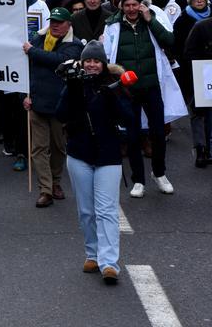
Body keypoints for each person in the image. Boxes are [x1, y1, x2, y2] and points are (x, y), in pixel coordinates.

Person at [56, 41, 135, 284]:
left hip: (108, 156)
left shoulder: (115, 85)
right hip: (79, 155)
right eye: (87, 60)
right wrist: (71, 87)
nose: (91, 64)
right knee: (87, 211)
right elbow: (60, 114)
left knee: (107, 210)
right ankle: (92, 254)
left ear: (103, 64)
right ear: (82, 62)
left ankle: (109, 262)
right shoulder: (74, 83)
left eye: (96, 61)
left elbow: (129, 117)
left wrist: (112, 96)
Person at [103, 0, 186, 198]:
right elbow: (107, 57)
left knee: (158, 132)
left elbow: (169, 41)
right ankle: (138, 180)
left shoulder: (152, 20)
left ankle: (160, 173)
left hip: (152, 87)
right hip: (127, 91)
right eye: (127, 5)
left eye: (135, 4)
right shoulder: (112, 25)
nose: (131, 9)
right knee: (132, 136)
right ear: (121, 6)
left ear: (141, 5)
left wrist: (150, 20)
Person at [22, 6, 82, 207]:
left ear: (68, 25)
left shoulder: (73, 45)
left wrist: (32, 51)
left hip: (59, 105)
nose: (55, 25)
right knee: (39, 148)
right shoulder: (39, 40)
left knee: (58, 147)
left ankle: (56, 182)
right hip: (37, 102)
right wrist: (26, 94)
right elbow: (25, 69)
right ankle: (46, 189)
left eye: (59, 22)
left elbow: (60, 61)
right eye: (52, 22)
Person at [174, 0, 212, 167]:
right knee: (199, 112)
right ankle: (201, 149)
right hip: (201, 74)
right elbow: (187, 52)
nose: (199, 1)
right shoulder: (198, 25)